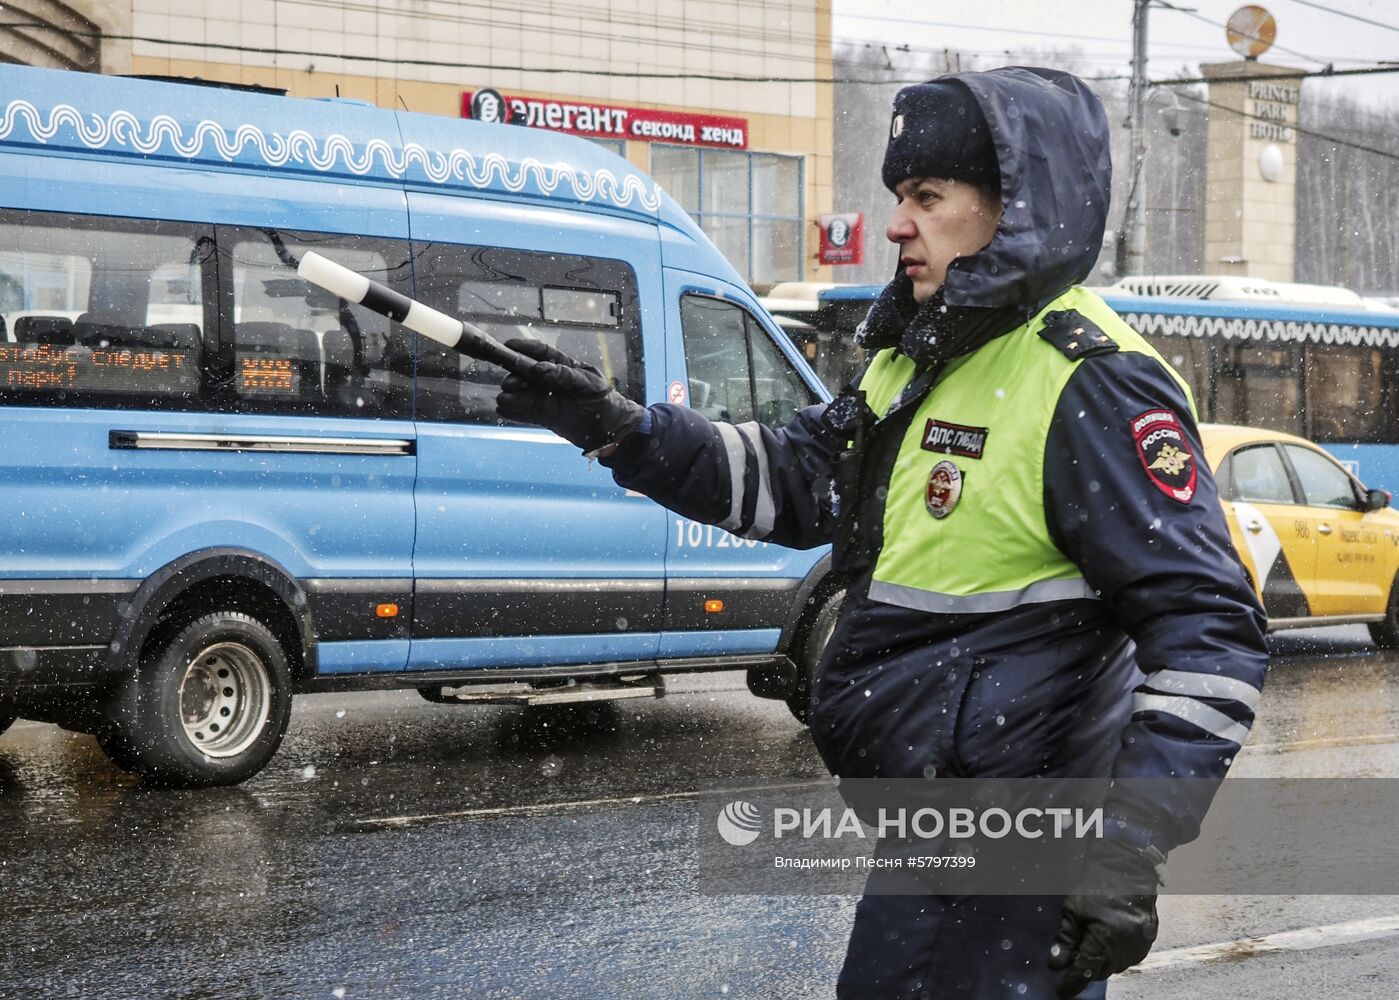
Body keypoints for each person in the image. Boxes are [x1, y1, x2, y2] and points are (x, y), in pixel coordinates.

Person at [497, 66, 1268, 999]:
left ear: (1014, 209)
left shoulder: (1090, 382)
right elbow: (790, 482)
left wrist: (1128, 847)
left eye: (927, 197)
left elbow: (1209, 635)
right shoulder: (919, 361)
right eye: (899, 197)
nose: (897, 223)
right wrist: (618, 426)